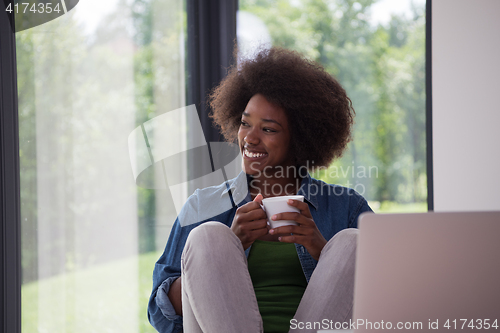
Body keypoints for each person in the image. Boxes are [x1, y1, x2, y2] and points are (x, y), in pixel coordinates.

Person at [148, 47, 373, 333]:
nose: (249, 139)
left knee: (350, 242)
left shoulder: (346, 208)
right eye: (245, 123)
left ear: (300, 138)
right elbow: (160, 314)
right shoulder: (202, 205)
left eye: (268, 129)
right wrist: (231, 245)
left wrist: (320, 248)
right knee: (209, 236)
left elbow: (388, 302)